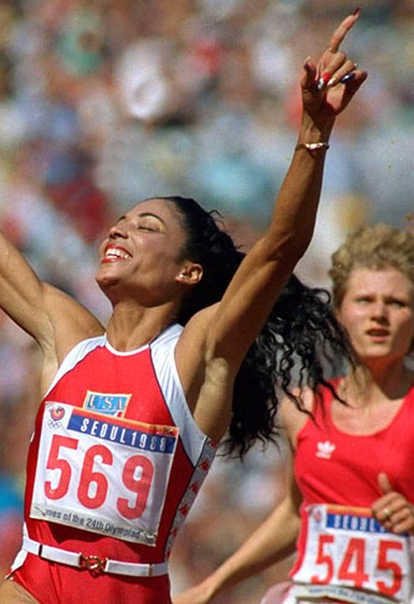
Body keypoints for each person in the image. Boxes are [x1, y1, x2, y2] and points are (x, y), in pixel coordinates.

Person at [0, 0, 366, 604]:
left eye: (147, 225)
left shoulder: (197, 358)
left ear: (189, 272)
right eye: (122, 219)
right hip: (32, 580)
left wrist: (313, 133)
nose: (120, 229)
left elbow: (278, 248)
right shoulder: (67, 336)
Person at [173, 222, 414, 604]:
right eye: (365, 301)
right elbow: (296, 513)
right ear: (339, 313)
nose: (379, 315)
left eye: (397, 303)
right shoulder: (302, 408)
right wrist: (211, 587)